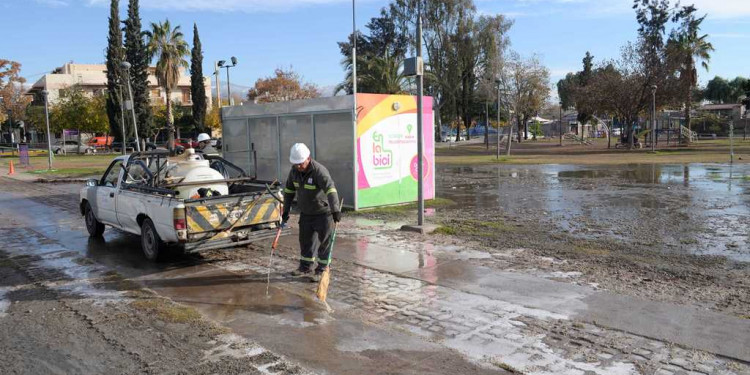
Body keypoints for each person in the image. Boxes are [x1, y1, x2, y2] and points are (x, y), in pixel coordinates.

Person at [282, 143, 342, 282]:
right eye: (296, 163)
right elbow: (289, 191)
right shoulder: (294, 172)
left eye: (300, 163)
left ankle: (321, 270)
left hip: (323, 213)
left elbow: (331, 190)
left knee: (325, 243)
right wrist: (286, 210)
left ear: (308, 158)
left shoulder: (319, 171)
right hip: (306, 213)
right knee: (306, 242)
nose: (298, 166)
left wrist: (335, 210)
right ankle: (305, 267)